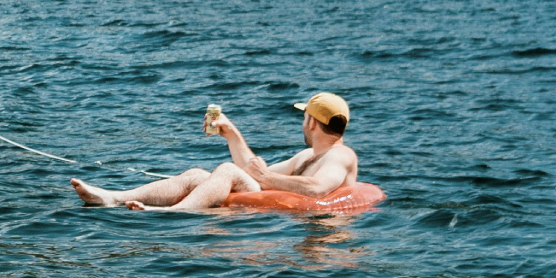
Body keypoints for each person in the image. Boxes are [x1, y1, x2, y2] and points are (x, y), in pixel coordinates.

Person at [70, 93, 360, 211]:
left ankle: (173, 212)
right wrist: (232, 134)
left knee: (226, 170)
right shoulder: (307, 156)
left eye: (304, 116)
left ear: (311, 121)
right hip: (276, 208)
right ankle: (113, 197)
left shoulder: (340, 156)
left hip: (285, 216)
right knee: (197, 174)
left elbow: (318, 188)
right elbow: (254, 174)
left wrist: (267, 178)